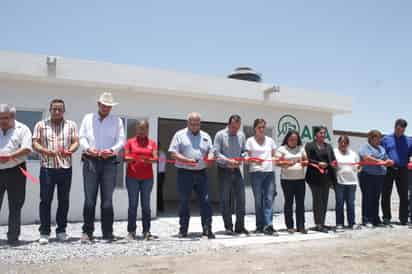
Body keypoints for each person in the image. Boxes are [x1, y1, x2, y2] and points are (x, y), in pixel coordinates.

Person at [79, 92, 125, 243]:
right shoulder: (87, 118)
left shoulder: (117, 121)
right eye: (104, 105)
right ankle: (87, 232)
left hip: (109, 162)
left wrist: (112, 150)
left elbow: (121, 140)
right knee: (89, 199)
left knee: (107, 200)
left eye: (109, 106)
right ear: (98, 104)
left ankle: (107, 233)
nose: (106, 108)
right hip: (91, 160)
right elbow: (82, 137)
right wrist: (87, 148)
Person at [32, 99, 79, 244]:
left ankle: (61, 230)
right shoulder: (41, 125)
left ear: (64, 111)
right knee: (45, 200)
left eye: (60, 109)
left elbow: (76, 141)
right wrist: (46, 151)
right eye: (54, 109)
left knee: (63, 200)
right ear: (50, 110)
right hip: (47, 167)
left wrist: (70, 150)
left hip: (65, 168)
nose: (57, 112)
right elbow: (35, 142)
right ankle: (44, 232)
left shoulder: (71, 125)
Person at [168, 112, 215, 239]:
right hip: (185, 173)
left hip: (201, 173)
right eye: (192, 123)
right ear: (188, 123)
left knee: (205, 201)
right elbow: (173, 153)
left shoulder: (205, 136)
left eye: (197, 123)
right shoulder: (179, 134)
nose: (195, 126)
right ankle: (183, 230)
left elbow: (211, 151)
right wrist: (186, 160)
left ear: (200, 123)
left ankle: (207, 229)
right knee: (184, 201)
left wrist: (210, 158)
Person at [0, 104, 32, 245]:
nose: (2, 121)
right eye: (0, 118)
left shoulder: (22, 129)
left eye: (5, 118)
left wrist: (10, 156)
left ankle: (13, 238)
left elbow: (27, 149)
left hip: (16, 171)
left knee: (15, 205)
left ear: (12, 116)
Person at [214, 114, 249, 235]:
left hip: (237, 170)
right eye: (233, 127)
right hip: (224, 170)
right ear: (228, 125)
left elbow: (244, 151)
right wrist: (229, 161)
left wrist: (243, 157)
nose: (235, 130)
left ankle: (240, 227)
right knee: (225, 200)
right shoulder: (220, 135)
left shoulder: (241, 135)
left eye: (237, 127)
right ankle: (228, 226)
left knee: (241, 199)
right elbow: (216, 153)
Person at [124, 120, 157, 241]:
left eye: (144, 128)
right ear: (136, 129)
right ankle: (131, 231)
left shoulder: (152, 143)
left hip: (147, 179)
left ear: (148, 129)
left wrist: (149, 160)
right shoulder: (130, 142)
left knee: (146, 206)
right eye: (139, 128)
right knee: (132, 205)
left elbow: (155, 158)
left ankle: (146, 231)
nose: (141, 131)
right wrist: (135, 158)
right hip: (132, 177)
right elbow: (126, 157)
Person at [245, 118, 278, 236]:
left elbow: (274, 155)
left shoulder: (270, 141)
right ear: (255, 128)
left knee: (269, 199)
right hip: (256, 173)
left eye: (263, 127)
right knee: (258, 200)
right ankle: (259, 226)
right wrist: (253, 160)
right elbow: (247, 159)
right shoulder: (249, 141)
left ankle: (268, 225)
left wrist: (276, 159)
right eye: (259, 127)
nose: (262, 129)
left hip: (269, 173)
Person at [359, 130, 394, 228]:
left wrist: (389, 161)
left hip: (380, 176)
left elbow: (386, 158)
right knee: (368, 198)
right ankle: (366, 219)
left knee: (376, 198)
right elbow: (366, 158)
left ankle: (375, 219)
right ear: (371, 138)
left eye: (380, 138)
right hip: (367, 176)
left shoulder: (381, 148)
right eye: (377, 138)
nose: (379, 140)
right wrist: (381, 162)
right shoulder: (365, 147)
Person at [305, 126, 337, 233]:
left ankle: (322, 223)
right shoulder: (310, 145)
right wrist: (318, 164)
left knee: (324, 201)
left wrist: (333, 164)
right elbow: (307, 160)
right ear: (316, 134)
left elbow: (333, 160)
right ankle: (318, 224)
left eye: (324, 133)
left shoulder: (328, 146)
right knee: (318, 200)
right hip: (314, 178)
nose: (323, 135)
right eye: (321, 133)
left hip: (326, 178)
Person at [276, 130, 308, 234]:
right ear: (287, 139)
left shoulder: (301, 148)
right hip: (287, 181)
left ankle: (301, 226)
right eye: (291, 139)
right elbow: (277, 162)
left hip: (300, 180)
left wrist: (303, 162)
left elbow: (306, 161)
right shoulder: (282, 149)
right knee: (289, 203)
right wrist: (286, 163)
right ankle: (290, 226)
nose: (293, 141)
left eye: (295, 139)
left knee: (300, 204)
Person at [381, 119, 410, 226]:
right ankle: (386, 218)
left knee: (403, 195)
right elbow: (381, 153)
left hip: (403, 170)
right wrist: (385, 160)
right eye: (398, 129)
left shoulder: (409, 140)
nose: (400, 132)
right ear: (395, 127)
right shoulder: (385, 139)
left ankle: (403, 219)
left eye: (402, 130)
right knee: (386, 194)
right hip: (389, 169)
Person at [333, 135, 361, 231]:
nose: (343, 144)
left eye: (345, 142)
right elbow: (331, 165)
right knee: (340, 204)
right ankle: (339, 224)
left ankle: (352, 223)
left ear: (348, 144)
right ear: (338, 143)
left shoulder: (353, 153)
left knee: (351, 204)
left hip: (352, 182)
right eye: (341, 142)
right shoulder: (334, 152)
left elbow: (358, 166)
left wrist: (359, 167)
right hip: (339, 182)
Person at [157, 143, 166, 213]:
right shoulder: (160, 153)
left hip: (160, 173)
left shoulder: (161, 153)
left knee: (159, 191)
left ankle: (160, 207)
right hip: (159, 173)